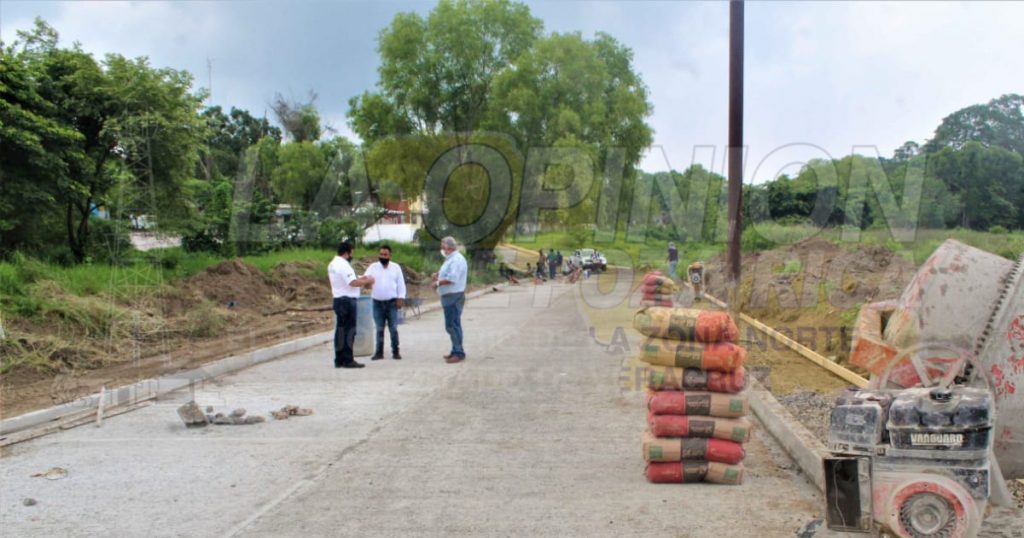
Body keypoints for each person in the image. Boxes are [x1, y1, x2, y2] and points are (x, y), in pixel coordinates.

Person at [327, 241, 375, 369]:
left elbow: (347, 279)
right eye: (352, 252)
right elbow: (352, 282)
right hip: (347, 301)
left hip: (338, 299)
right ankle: (348, 359)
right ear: (347, 252)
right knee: (349, 331)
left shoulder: (333, 264)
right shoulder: (344, 265)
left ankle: (339, 359)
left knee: (340, 331)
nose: (352, 254)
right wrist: (367, 281)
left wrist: (361, 277)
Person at [364, 244, 406, 360]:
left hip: (392, 303)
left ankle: (395, 351)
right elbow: (365, 279)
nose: (383, 256)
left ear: (390, 255)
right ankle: (379, 352)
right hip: (377, 303)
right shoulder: (373, 267)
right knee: (379, 328)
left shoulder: (396, 268)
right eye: (381, 254)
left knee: (393, 328)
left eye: (385, 254)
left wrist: (400, 298)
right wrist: (365, 282)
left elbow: (401, 285)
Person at [433, 236, 468, 363]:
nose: (442, 249)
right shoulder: (450, 259)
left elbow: (452, 279)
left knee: (452, 325)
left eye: (443, 247)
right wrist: (438, 275)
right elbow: (448, 274)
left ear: (449, 247)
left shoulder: (457, 260)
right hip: (449, 295)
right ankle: (455, 350)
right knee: (452, 324)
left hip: (453, 295)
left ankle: (458, 352)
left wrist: (437, 283)